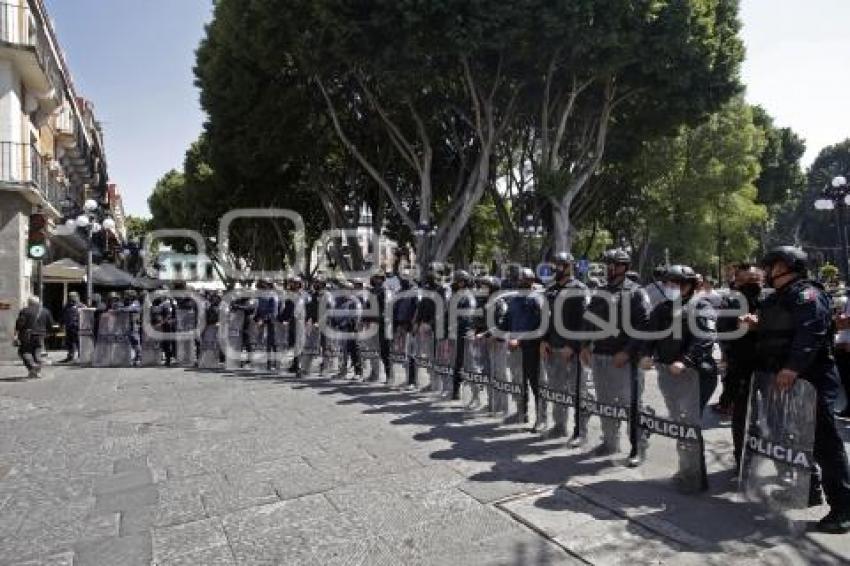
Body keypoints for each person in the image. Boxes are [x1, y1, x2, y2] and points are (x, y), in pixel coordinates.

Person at [748, 246, 850, 533]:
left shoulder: (808, 294)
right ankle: (808, 490)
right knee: (796, 439)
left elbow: (811, 334)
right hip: (783, 381)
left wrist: (792, 367)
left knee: (824, 444)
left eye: (773, 266)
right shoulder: (777, 298)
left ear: (788, 267)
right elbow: (778, 331)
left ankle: (843, 507)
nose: (767, 272)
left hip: (810, 379)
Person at [640, 265, 718, 492]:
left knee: (688, 424)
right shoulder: (663, 308)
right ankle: (687, 470)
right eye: (668, 283)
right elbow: (649, 334)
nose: (671, 287)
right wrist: (646, 354)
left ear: (690, 285)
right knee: (680, 423)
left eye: (677, 283)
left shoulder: (701, 306)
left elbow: (705, 338)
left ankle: (695, 478)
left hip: (695, 375)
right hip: (669, 375)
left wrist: (685, 360)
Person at [580, 249, 649, 467]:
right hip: (600, 356)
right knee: (605, 403)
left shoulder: (636, 292)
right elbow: (589, 320)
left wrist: (627, 352)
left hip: (625, 360)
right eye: (607, 264)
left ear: (624, 267)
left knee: (631, 406)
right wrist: (584, 346)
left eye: (614, 264)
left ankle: (638, 448)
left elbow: (644, 327)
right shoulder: (600, 291)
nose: (610, 268)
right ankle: (610, 442)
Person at [541, 252, 588, 439]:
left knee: (578, 392)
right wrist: (544, 340)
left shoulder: (579, 288)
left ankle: (580, 431)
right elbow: (546, 319)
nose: (555, 268)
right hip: (552, 347)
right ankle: (560, 426)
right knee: (556, 389)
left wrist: (572, 345)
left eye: (559, 265)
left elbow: (583, 322)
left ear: (569, 266)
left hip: (571, 351)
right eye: (554, 265)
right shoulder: (550, 289)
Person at [505, 268, 544, 427]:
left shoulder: (536, 299)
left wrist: (519, 340)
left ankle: (541, 418)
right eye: (520, 280)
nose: (522, 282)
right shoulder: (514, 300)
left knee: (535, 383)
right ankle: (522, 413)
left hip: (531, 348)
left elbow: (537, 325)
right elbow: (507, 321)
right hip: (515, 349)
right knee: (518, 382)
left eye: (525, 280)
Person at [450, 270, 477, 401]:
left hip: (465, 333)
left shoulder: (469, 295)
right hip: (456, 332)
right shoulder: (456, 294)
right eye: (458, 280)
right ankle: (456, 390)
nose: (459, 283)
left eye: (461, 280)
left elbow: (468, 315)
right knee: (457, 363)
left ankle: (474, 393)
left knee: (469, 363)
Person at [14, 296, 55, 379]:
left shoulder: (25, 311)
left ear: (29, 302)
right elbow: (50, 324)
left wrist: (16, 332)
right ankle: (36, 372)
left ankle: (32, 366)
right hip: (40, 335)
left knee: (24, 351)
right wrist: (49, 333)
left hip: (27, 335)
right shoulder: (45, 311)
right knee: (37, 352)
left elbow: (20, 323)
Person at [60, 291, 83, 362]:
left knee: (79, 342)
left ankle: (81, 356)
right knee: (70, 343)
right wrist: (62, 324)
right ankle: (70, 356)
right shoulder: (66, 306)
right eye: (70, 296)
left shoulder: (81, 306)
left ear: (77, 297)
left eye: (73, 296)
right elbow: (63, 316)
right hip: (69, 327)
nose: (72, 298)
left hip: (78, 327)